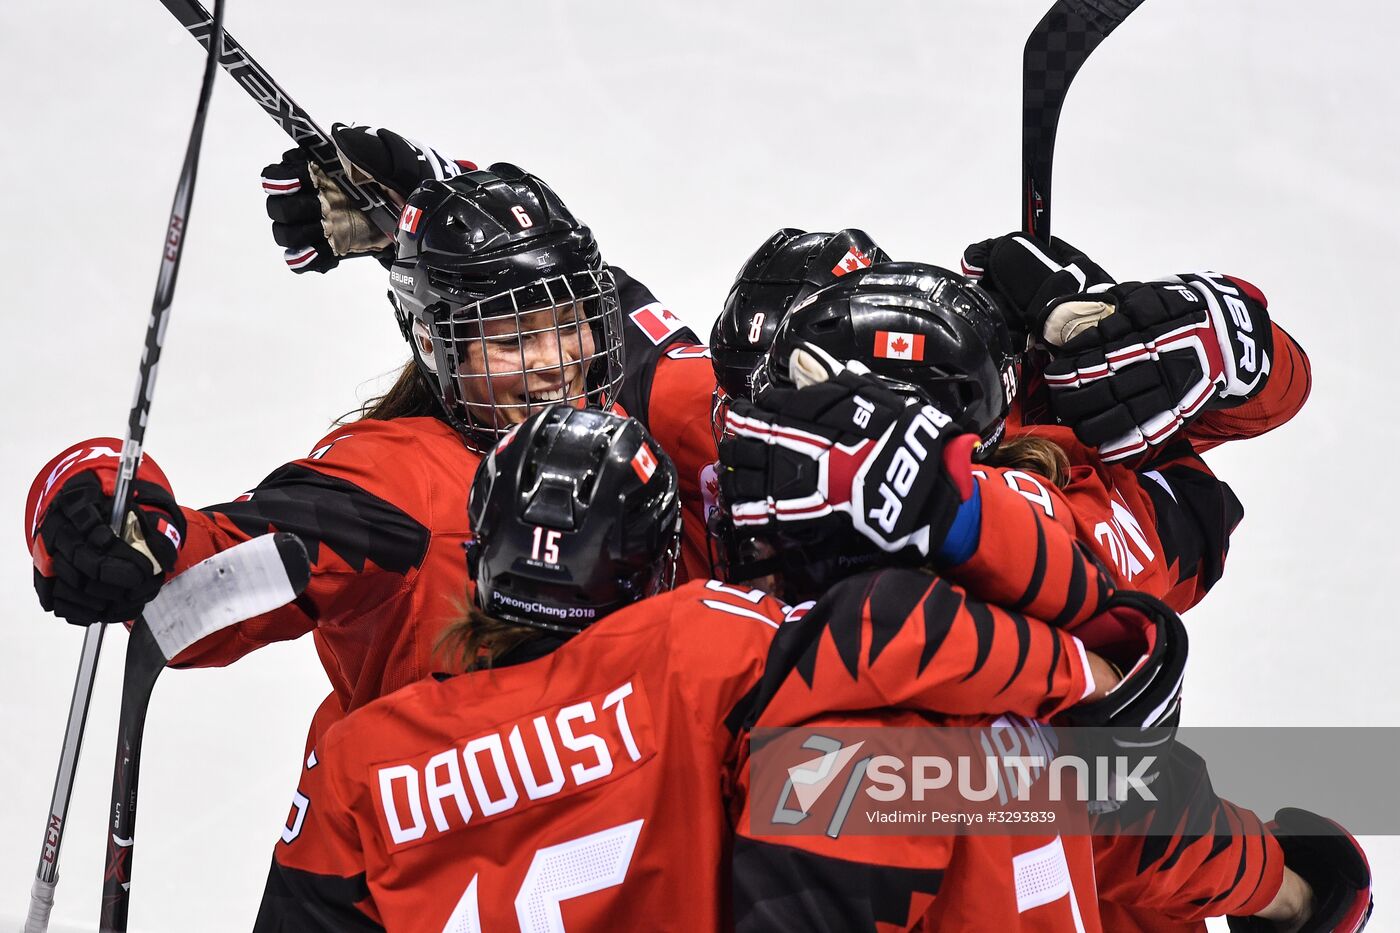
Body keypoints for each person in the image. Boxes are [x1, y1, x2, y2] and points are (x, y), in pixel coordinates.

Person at [251, 404, 1165, 931]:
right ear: (651, 563)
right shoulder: (694, 652)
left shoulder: (356, 753)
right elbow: (884, 630)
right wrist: (1087, 671)